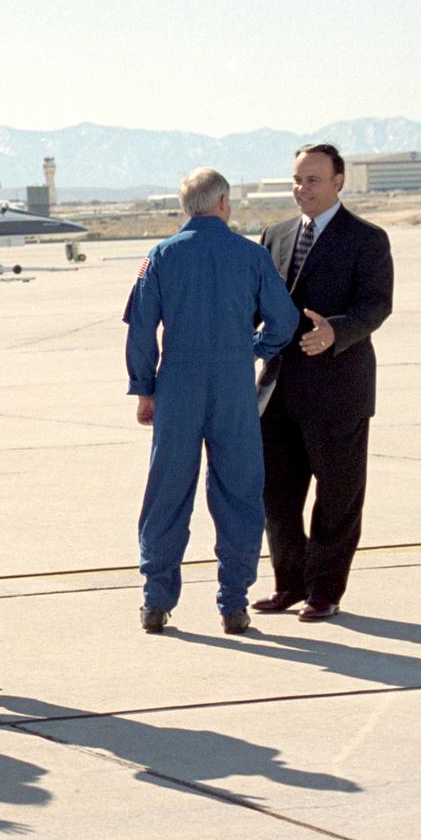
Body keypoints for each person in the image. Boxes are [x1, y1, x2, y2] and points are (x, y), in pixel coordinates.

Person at [124, 168, 299, 634]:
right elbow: (284, 320)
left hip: (177, 385)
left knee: (167, 493)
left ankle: (156, 602)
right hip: (233, 386)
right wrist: (254, 349)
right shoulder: (251, 255)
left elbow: (141, 330)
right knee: (239, 491)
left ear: (188, 207)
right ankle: (233, 602)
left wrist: (145, 389)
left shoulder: (159, 257)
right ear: (222, 203)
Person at [252, 144, 393, 621]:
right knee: (277, 496)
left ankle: (324, 592)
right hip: (277, 392)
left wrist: (337, 331)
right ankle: (288, 585)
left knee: (337, 496)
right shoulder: (275, 234)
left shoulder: (367, 239)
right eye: (296, 179)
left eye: (312, 180)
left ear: (338, 182)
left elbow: (376, 305)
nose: (301, 188)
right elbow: (257, 303)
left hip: (338, 391)